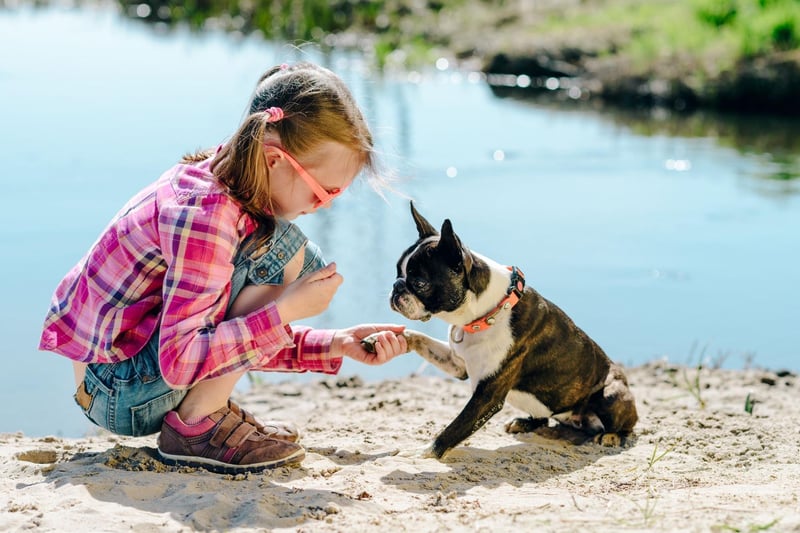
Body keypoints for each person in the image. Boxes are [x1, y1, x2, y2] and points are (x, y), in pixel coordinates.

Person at [38, 61, 409, 474]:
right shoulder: (207, 218)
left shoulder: (226, 184)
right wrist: (285, 310)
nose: (325, 205)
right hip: (118, 391)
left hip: (122, 376)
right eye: (325, 193)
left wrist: (333, 343)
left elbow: (221, 329)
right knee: (290, 256)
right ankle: (198, 424)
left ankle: (204, 413)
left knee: (287, 255)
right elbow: (181, 360)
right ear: (274, 160)